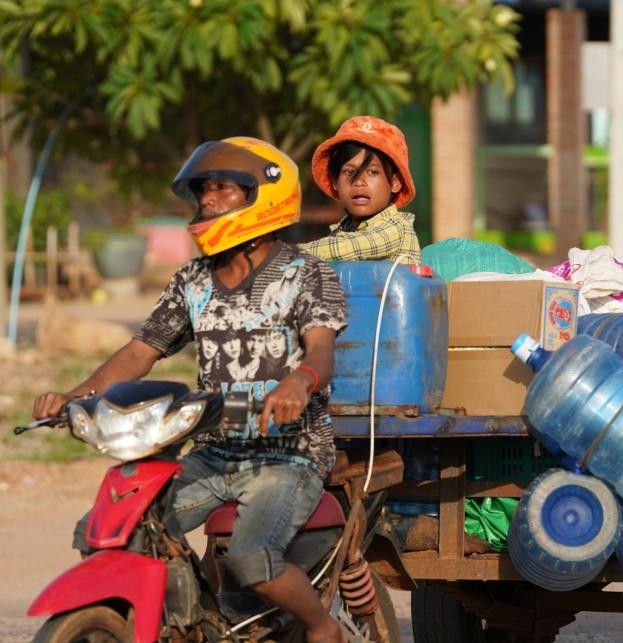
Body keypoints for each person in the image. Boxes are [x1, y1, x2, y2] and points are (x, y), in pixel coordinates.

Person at [32, 137, 348, 643]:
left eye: (224, 188)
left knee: (252, 557)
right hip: (212, 451)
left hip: (288, 456)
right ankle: (193, 620)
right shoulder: (192, 281)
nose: (209, 200)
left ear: (263, 196)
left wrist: (298, 381)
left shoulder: (305, 273)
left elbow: (321, 351)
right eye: (203, 190)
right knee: (112, 528)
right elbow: (140, 351)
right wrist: (77, 395)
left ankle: (321, 627)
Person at [302, 115, 421, 264]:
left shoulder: (397, 228)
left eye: (373, 172)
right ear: (335, 182)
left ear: (395, 182)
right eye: (349, 172)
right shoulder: (342, 231)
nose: (359, 182)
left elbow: (348, 247)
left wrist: (285, 254)